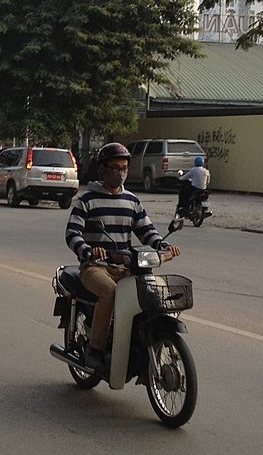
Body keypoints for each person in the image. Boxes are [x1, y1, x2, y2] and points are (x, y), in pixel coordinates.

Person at [64, 142, 180, 373]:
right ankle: (95, 350)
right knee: (110, 292)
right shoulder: (87, 200)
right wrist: (88, 250)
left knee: (154, 295)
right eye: (115, 168)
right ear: (103, 169)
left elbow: (146, 230)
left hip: (127, 267)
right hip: (96, 267)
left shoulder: (132, 201)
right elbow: (72, 233)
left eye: (124, 168)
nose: (121, 173)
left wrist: (162, 244)